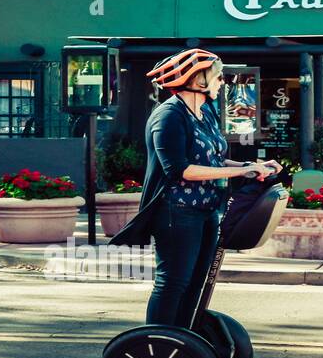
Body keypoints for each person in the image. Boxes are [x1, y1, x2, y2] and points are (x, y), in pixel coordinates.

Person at [112, 48, 282, 327]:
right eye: (217, 77)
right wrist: (240, 170)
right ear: (197, 80)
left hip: (206, 209)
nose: (221, 82)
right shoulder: (168, 115)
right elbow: (180, 169)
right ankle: (159, 340)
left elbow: (213, 158)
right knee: (174, 282)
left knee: (196, 282)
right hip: (176, 212)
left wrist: (252, 166)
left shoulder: (205, 113)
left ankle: (184, 339)